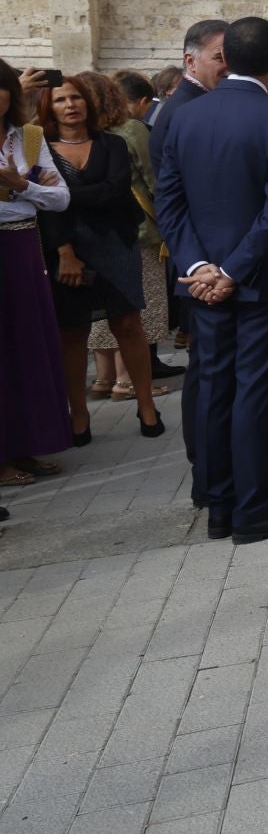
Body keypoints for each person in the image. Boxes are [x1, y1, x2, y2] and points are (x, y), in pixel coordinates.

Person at [155, 16, 268, 544]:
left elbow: (170, 201)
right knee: (258, 392)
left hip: (204, 279)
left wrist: (198, 267)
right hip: (262, 281)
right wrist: (230, 271)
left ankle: (219, 503)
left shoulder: (182, 115)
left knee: (213, 387)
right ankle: (255, 507)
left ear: (226, 57)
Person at [38, 76, 163, 459]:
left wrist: (58, 194)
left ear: (89, 103)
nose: (71, 105)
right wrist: (63, 248)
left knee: (128, 324)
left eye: (77, 98)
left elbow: (114, 190)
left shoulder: (112, 143)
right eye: (61, 100)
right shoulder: (39, 148)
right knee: (72, 333)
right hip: (65, 248)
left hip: (114, 242)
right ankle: (79, 414)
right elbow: (42, 207)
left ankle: (146, 406)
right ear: (49, 107)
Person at [148, 18, 227, 503]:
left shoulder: (203, 106)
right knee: (209, 373)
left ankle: (221, 460)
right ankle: (209, 467)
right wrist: (202, 267)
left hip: (215, 264)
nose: (227, 66)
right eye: (219, 57)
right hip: (205, 267)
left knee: (213, 371)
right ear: (190, 60)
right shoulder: (183, 112)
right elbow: (175, 202)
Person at [74, 73, 174, 408]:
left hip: (86, 235)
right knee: (134, 308)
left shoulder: (77, 136)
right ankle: (125, 380)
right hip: (135, 231)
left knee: (102, 309)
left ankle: (103, 378)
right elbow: (154, 179)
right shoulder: (131, 130)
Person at [0, 59, 71, 516]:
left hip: (24, 244)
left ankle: (26, 442)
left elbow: (60, 197)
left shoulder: (27, 138)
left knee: (28, 348)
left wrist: (20, 187)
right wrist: (26, 186)